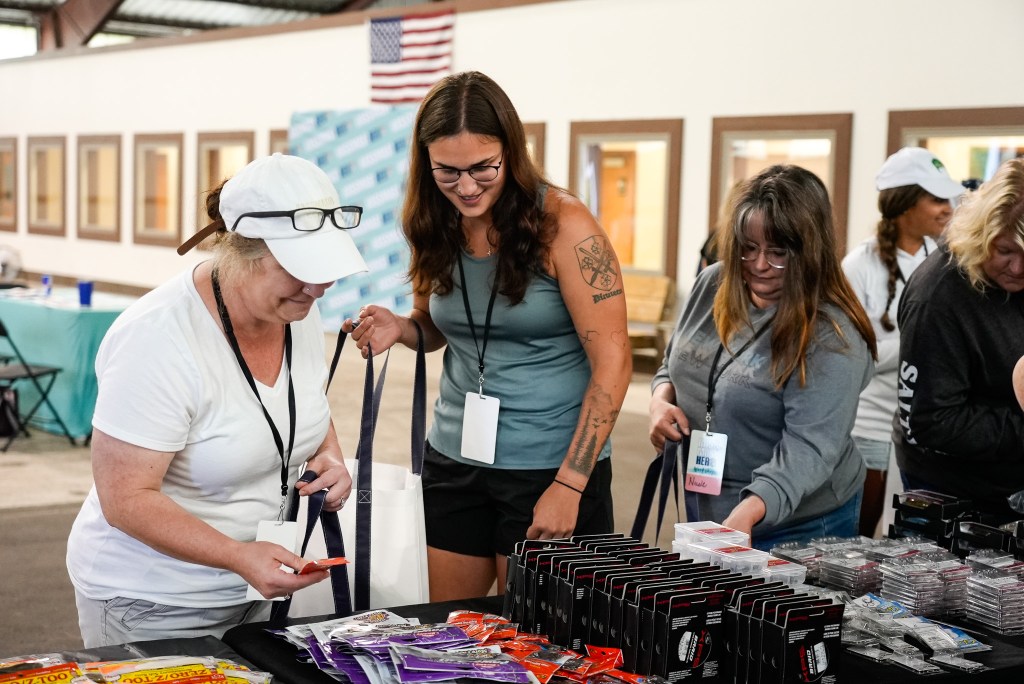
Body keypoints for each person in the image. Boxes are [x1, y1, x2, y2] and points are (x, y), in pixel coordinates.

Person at [343, 71, 631, 601]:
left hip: (549, 466)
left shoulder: (565, 225)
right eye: (448, 172)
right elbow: (434, 325)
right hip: (454, 460)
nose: (467, 187)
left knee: (540, 639)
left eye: (483, 168)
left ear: (511, 153)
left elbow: (614, 363)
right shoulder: (434, 221)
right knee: (451, 631)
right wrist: (402, 328)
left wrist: (570, 484)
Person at [66, 154, 365, 646]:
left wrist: (328, 456)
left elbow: (302, 403)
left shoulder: (297, 310)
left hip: (258, 589)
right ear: (240, 252)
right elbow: (126, 499)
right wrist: (236, 555)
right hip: (154, 602)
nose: (318, 288)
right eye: (300, 270)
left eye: (326, 269)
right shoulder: (157, 339)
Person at [649, 165, 876, 550]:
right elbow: (673, 363)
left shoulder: (832, 334)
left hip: (796, 521)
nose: (758, 265)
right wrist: (659, 400)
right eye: (748, 248)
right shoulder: (713, 283)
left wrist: (752, 508)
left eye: (778, 253)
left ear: (810, 251)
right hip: (711, 502)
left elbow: (810, 446)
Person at [842, 147, 963, 537]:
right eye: (936, 199)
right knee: (858, 540)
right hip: (870, 428)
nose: (947, 208)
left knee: (908, 546)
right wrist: (921, 346)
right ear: (904, 203)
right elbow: (848, 356)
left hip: (922, 437)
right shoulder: (858, 266)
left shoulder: (946, 262)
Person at [895, 156, 1024, 521]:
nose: (1018, 268)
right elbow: (933, 420)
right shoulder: (937, 296)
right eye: (1005, 251)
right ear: (982, 236)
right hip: (952, 490)